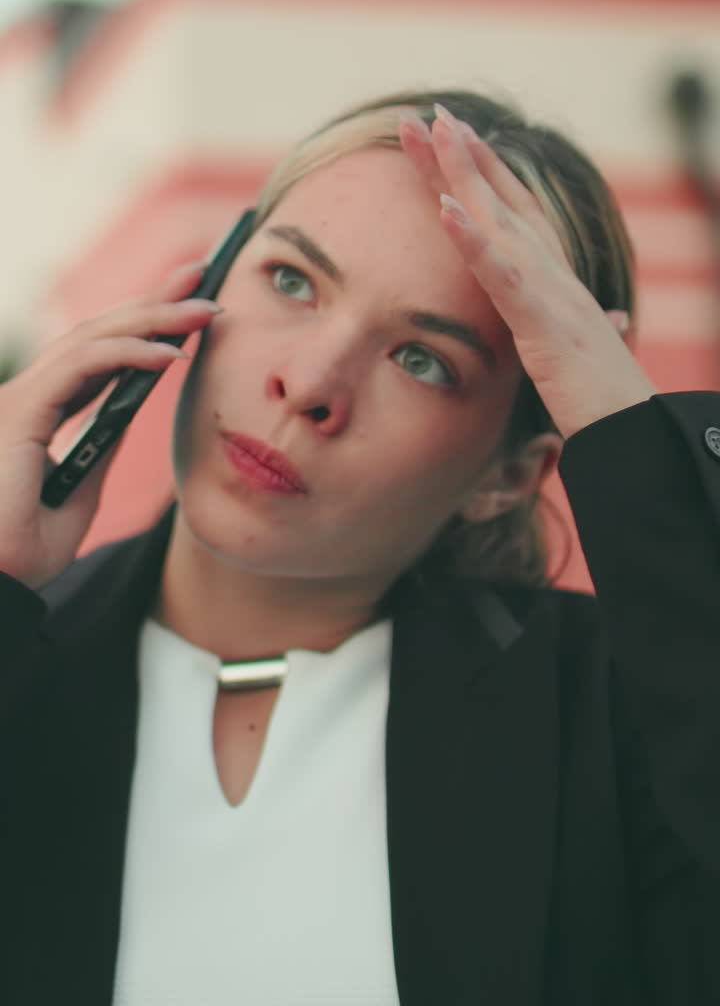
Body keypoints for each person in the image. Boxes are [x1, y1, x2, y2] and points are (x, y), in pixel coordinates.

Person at [1, 89, 719, 1006]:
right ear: (207, 285)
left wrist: (637, 455)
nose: (308, 384)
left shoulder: (615, 724)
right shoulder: (22, 665)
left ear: (508, 474)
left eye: (423, 359)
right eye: (292, 280)